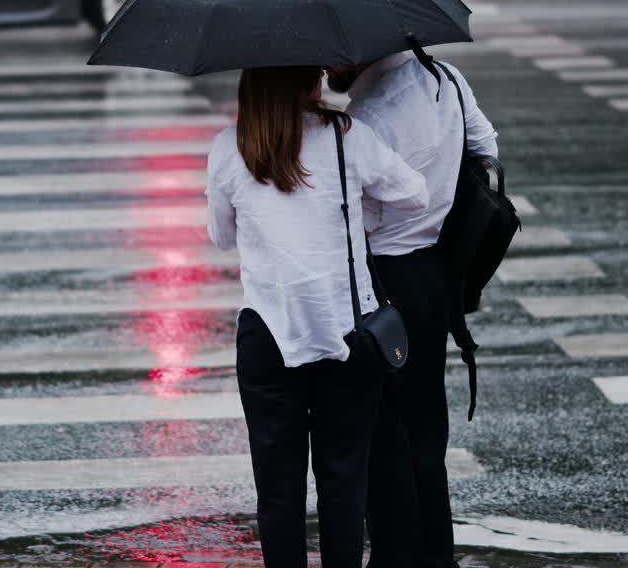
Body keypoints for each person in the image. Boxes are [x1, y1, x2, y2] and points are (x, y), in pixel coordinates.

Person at [206, 65, 430, 568]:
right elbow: (415, 195)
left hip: (268, 334)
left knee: (278, 491)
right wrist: (363, 217)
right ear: (310, 82)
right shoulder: (346, 136)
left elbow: (221, 236)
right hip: (347, 330)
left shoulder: (229, 146)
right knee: (344, 484)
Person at [325, 52, 498, 568]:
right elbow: (486, 149)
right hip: (434, 275)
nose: (326, 64)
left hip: (386, 281)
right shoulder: (445, 76)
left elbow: (366, 218)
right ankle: (435, 554)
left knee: (386, 429)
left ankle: (397, 556)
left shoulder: (370, 115)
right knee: (426, 426)